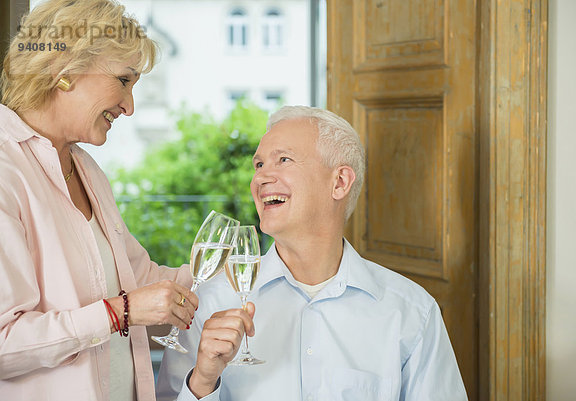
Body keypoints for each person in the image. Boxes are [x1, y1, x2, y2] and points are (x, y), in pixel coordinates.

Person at [156, 105, 468, 400]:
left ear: (340, 182)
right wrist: (202, 382)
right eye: (259, 164)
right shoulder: (209, 304)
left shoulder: (411, 312)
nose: (261, 177)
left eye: (284, 160)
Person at [0, 1, 199, 400]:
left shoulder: (86, 169)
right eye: (124, 80)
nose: (129, 106)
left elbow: (141, 283)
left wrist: (249, 273)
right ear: (65, 71)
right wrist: (117, 313)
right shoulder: (6, 169)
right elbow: (5, 343)